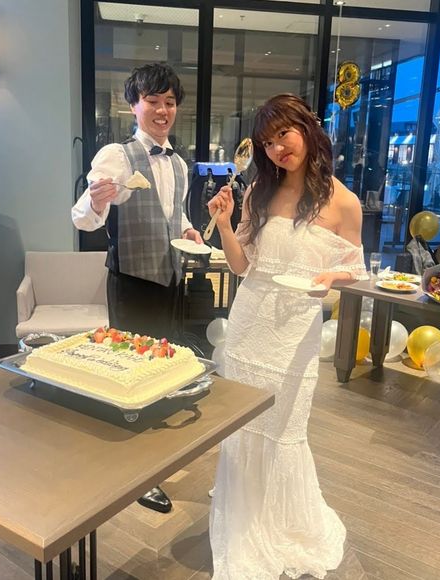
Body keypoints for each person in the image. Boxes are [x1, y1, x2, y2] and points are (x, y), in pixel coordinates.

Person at [207, 94, 367, 579]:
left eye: (284, 134)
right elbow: (242, 266)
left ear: (307, 130)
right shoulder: (259, 191)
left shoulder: (344, 201)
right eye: (268, 142)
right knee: (244, 423)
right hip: (249, 325)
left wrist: (331, 279)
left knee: (285, 428)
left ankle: (282, 521)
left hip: (295, 332)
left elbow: (354, 268)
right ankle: (244, 507)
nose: (278, 148)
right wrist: (223, 223)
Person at [72, 63, 202, 514]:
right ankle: (134, 472)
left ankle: (154, 457)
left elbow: (173, 214)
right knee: (129, 373)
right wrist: (96, 200)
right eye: (153, 101)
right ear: (133, 105)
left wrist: (188, 231)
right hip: (131, 281)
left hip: (170, 278)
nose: (162, 110)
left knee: (161, 368)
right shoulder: (116, 155)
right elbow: (82, 218)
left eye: (170, 102)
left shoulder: (179, 163)